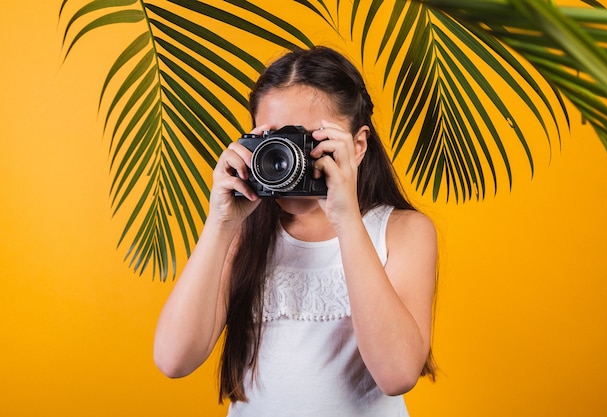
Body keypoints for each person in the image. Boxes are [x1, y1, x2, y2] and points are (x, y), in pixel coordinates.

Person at [153, 46, 438, 417]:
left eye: (309, 141)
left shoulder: (401, 231)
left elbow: (397, 374)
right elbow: (174, 360)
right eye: (276, 141)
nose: (290, 157)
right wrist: (220, 225)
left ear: (357, 145)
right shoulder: (241, 234)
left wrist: (347, 220)